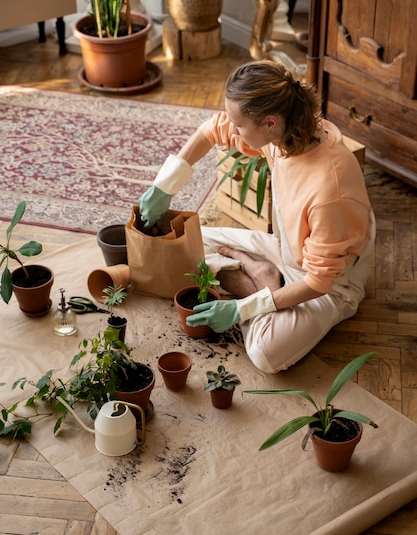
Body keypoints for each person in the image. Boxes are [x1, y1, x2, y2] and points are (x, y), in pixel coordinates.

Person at [139, 60, 375, 374]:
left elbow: (319, 281)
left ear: (270, 123)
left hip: (329, 287)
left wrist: (242, 309)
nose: (232, 129)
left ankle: (260, 284)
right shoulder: (286, 135)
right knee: (188, 241)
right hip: (285, 250)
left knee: (265, 354)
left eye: (239, 124)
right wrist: (164, 187)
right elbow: (212, 129)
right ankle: (262, 276)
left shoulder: (329, 188)